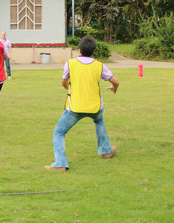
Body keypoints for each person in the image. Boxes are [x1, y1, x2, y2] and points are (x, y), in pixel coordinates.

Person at [45, 35, 119, 172]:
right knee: (99, 121)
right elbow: (116, 81)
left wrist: (69, 88)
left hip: (75, 107)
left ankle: (60, 163)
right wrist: (114, 88)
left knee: (59, 132)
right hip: (95, 106)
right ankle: (106, 151)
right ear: (93, 51)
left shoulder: (70, 63)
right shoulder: (99, 66)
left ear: (79, 50)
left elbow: (64, 81)